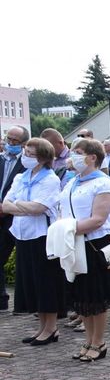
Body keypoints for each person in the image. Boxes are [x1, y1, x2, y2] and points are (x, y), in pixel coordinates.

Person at [59, 139, 110, 361]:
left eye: (78, 152)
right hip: (73, 241)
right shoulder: (73, 182)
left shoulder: (102, 183)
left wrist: (66, 229)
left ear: (92, 157)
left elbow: (98, 219)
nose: (73, 156)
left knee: (96, 295)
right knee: (81, 296)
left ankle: (99, 341)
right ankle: (88, 340)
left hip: (94, 243)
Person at [2, 137, 61, 341]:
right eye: (25, 153)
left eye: (30, 154)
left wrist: (18, 206)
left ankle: (51, 327)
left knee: (45, 281)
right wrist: (23, 206)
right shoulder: (21, 177)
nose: (25, 157)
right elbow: (5, 204)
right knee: (32, 282)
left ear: (43, 158)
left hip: (41, 235)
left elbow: (40, 208)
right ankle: (42, 326)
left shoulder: (50, 179)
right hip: (22, 234)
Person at [0, 126, 30, 311]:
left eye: (15, 141)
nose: (10, 143)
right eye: (8, 139)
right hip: (1, 218)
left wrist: (7, 207)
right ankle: (2, 300)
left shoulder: (27, 164)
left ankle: (26, 303)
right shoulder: (1, 160)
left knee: (25, 262)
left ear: (23, 144)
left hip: (17, 217)